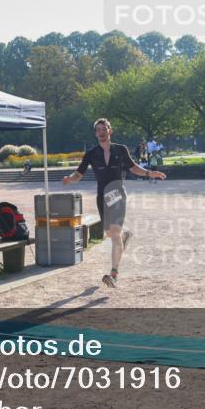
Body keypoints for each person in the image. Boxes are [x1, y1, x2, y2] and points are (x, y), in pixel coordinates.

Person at [62, 118, 165, 288]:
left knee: (114, 234)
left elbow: (133, 167)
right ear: (96, 133)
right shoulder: (91, 154)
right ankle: (124, 237)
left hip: (117, 195)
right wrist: (69, 179)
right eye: (98, 130)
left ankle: (114, 274)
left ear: (110, 131)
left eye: (104, 129)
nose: (101, 132)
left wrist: (150, 173)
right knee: (111, 235)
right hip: (102, 197)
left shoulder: (121, 149)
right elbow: (79, 174)